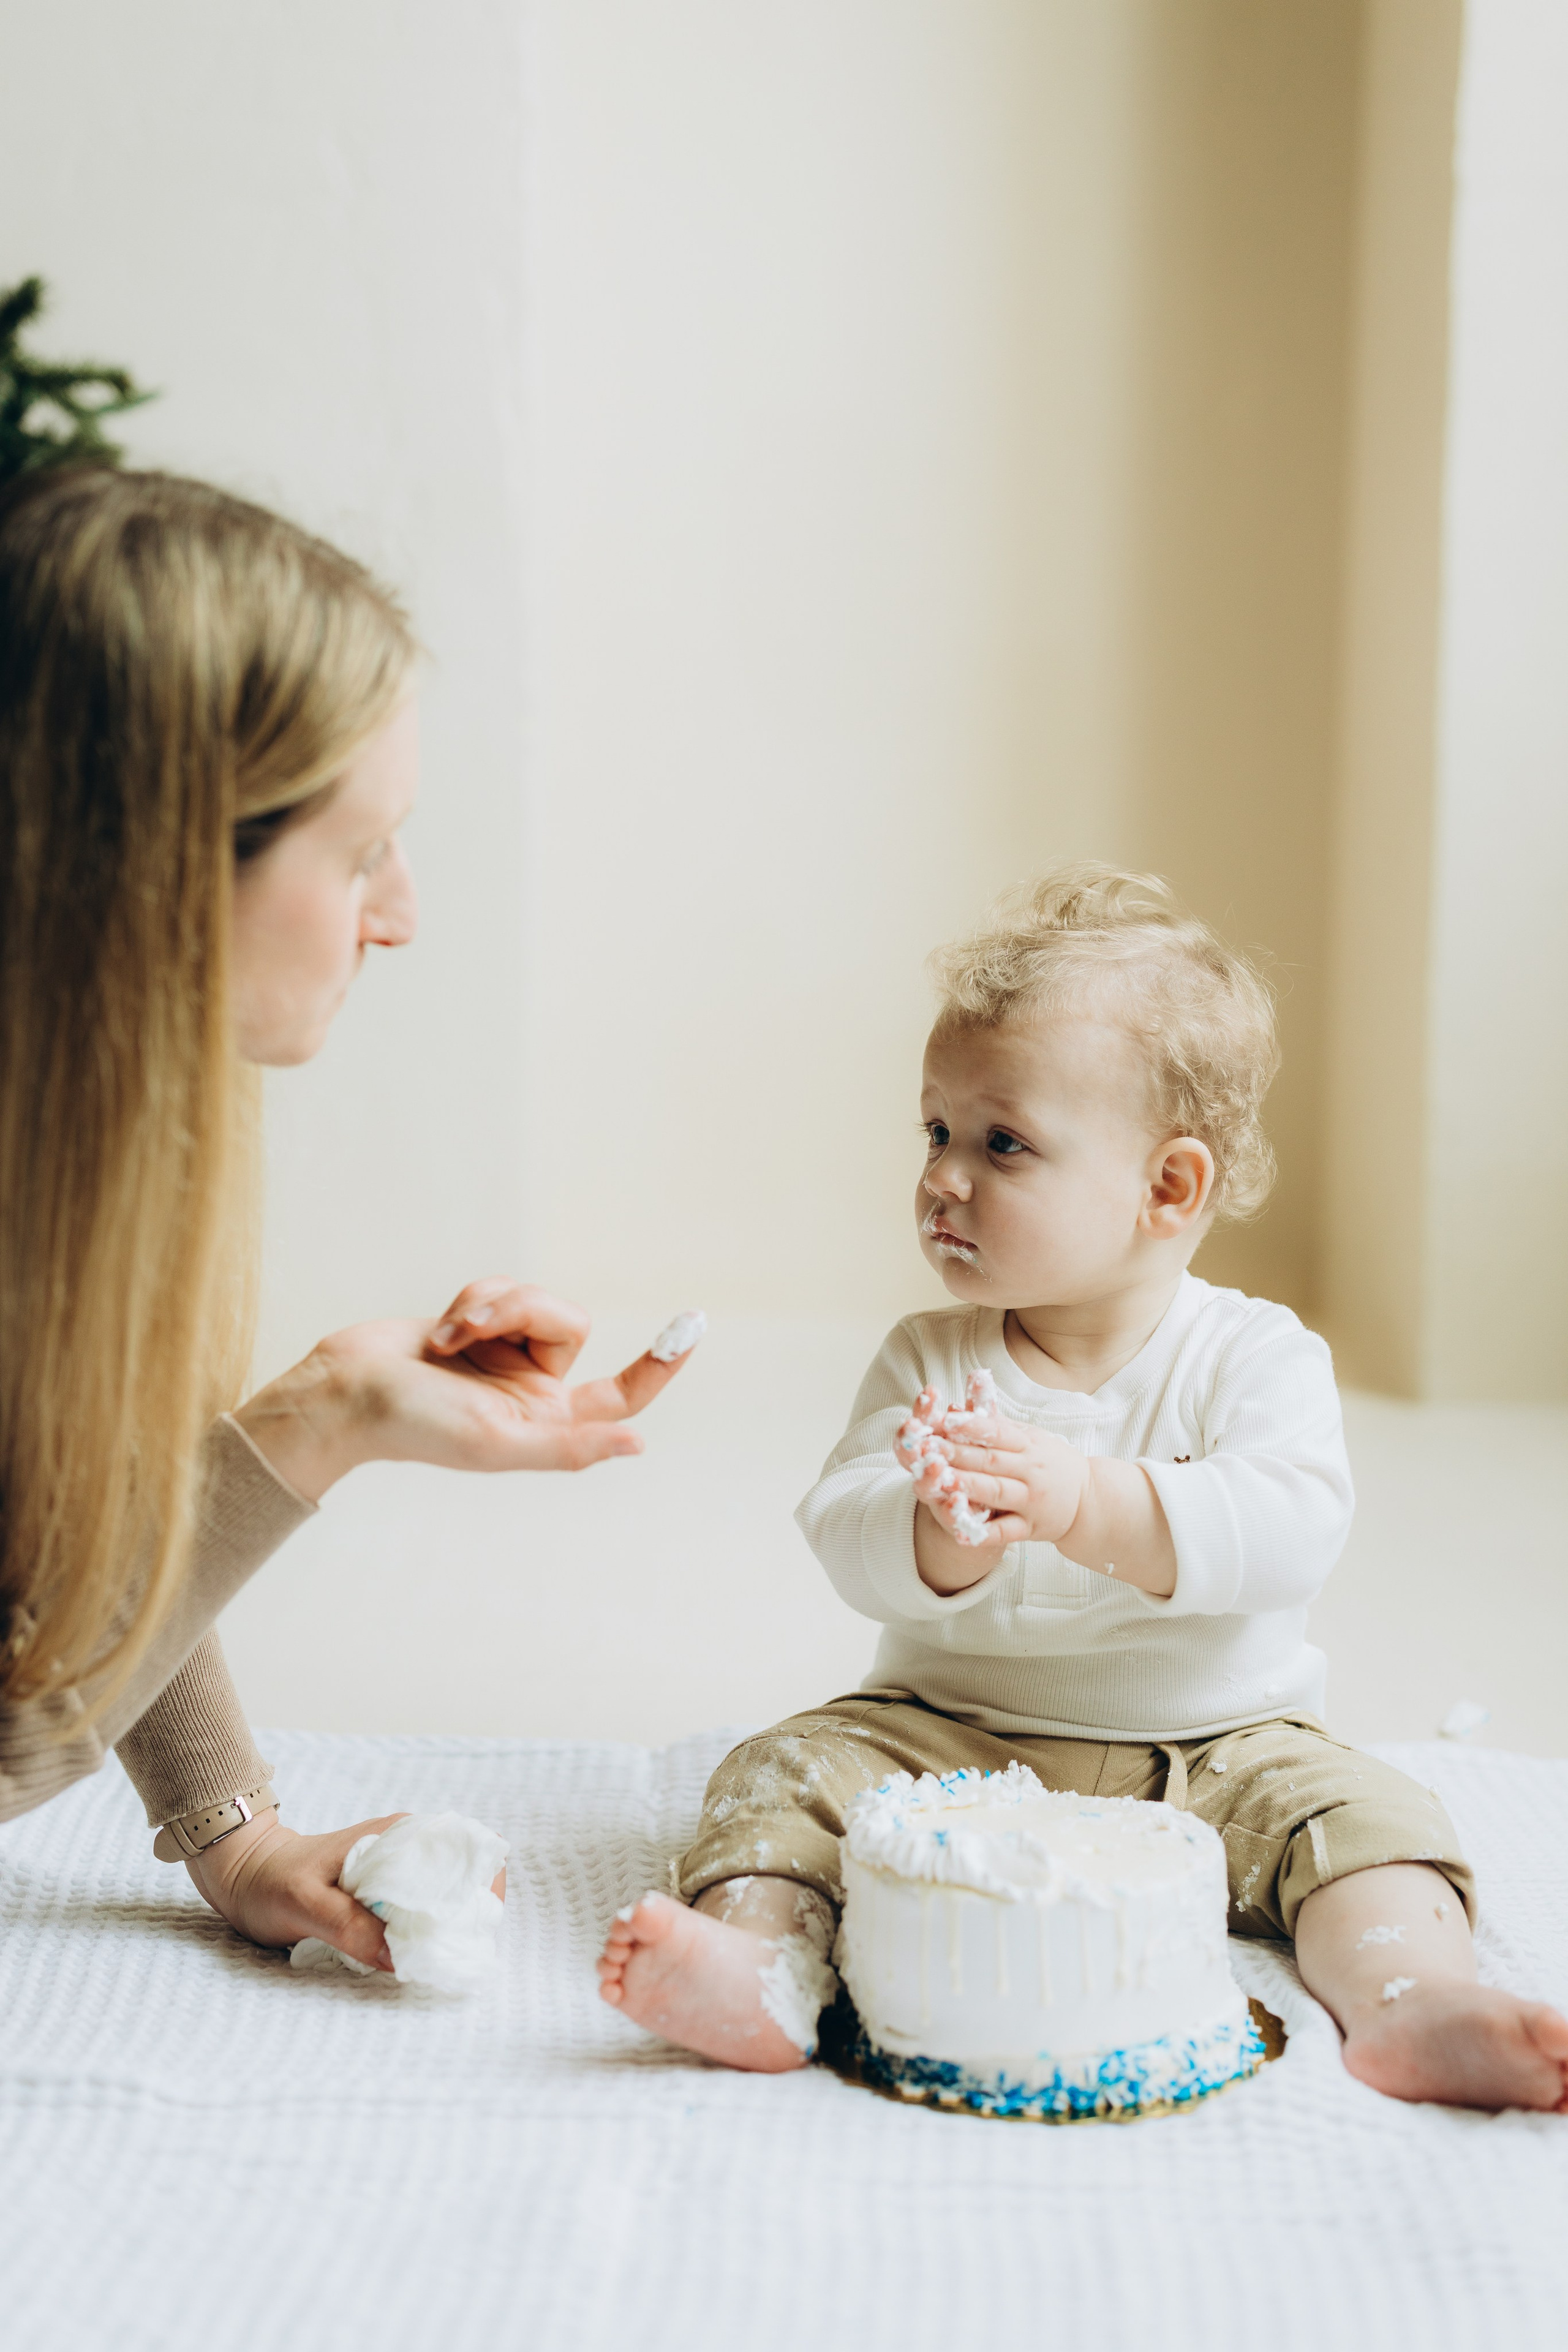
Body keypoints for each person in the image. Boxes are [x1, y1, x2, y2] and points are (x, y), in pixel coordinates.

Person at [598, 865, 1568, 2113]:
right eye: (935, 1133)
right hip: (946, 1737)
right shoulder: (928, 1358)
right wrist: (933, 1538)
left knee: (1370, 1819)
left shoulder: (1253, 1356)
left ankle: (1407, 2001)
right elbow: (840, 1531)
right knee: (778, 1773)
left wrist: (1081, 1505)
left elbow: (1288, 1533)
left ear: (1167, 1189)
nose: (945, 1176)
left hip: (1218, 1746)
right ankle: (757, 1962)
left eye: (1001, 1143)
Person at [0, 466, 695, 1971]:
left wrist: (229, 1826)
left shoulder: (82, 1123)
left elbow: (89, 1520)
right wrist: (323, 1420)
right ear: (163, 872)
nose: (402, 913)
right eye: (360, 848)